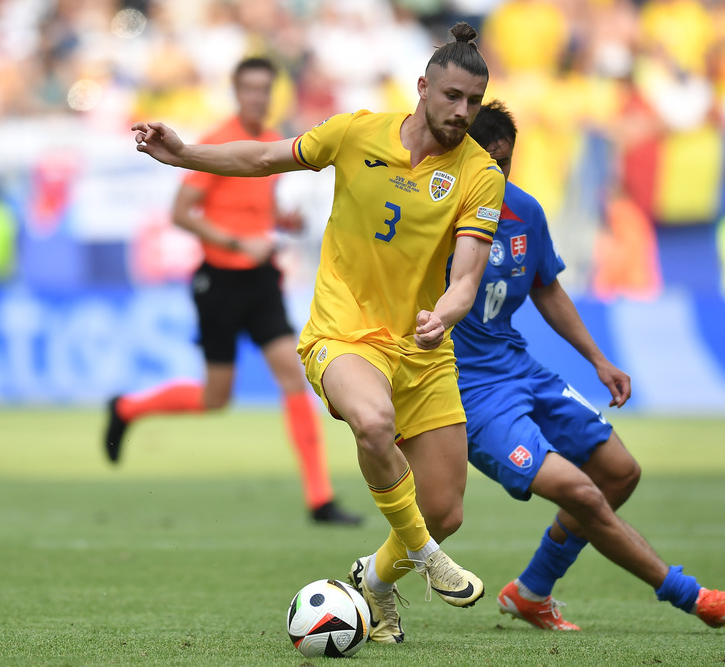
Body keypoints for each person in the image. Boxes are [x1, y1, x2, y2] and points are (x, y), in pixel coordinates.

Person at [131, 23, 505, 644]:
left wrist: (447, 313)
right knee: (373, 423)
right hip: (344, 335)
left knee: (445, 510)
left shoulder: (479, 174)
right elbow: (261, 156)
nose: (462, 112)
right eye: (452, 97)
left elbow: (465, 276)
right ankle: (429, 559)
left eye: (474, 101)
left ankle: (377, 582)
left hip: (424, 349)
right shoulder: (356, 131)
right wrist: (186, 153)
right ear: (423, 88)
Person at [453, 100, 725, 631]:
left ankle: (531, 592)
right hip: (470, 390)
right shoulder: (438, 213)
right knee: (580, 490)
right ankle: (692, 596)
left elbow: (546, 289)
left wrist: (598, 359)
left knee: (619, 472)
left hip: (518, 367)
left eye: (503, 165)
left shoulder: (524, 211)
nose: (494, 176)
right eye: (484, 164)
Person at [106, 57, 361, 526]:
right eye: (251, 89)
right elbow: (182, 212)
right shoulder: (220, 139)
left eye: (266, 89)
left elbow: (253, 208)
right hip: (220, 280)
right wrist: (233, 241)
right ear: (236, 91)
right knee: (216, 398)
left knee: (292, 375)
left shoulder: (270, 140)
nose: (258, 97)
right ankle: (127, 407)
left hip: (260, 278)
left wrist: (280, 223)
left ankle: (320, 499)